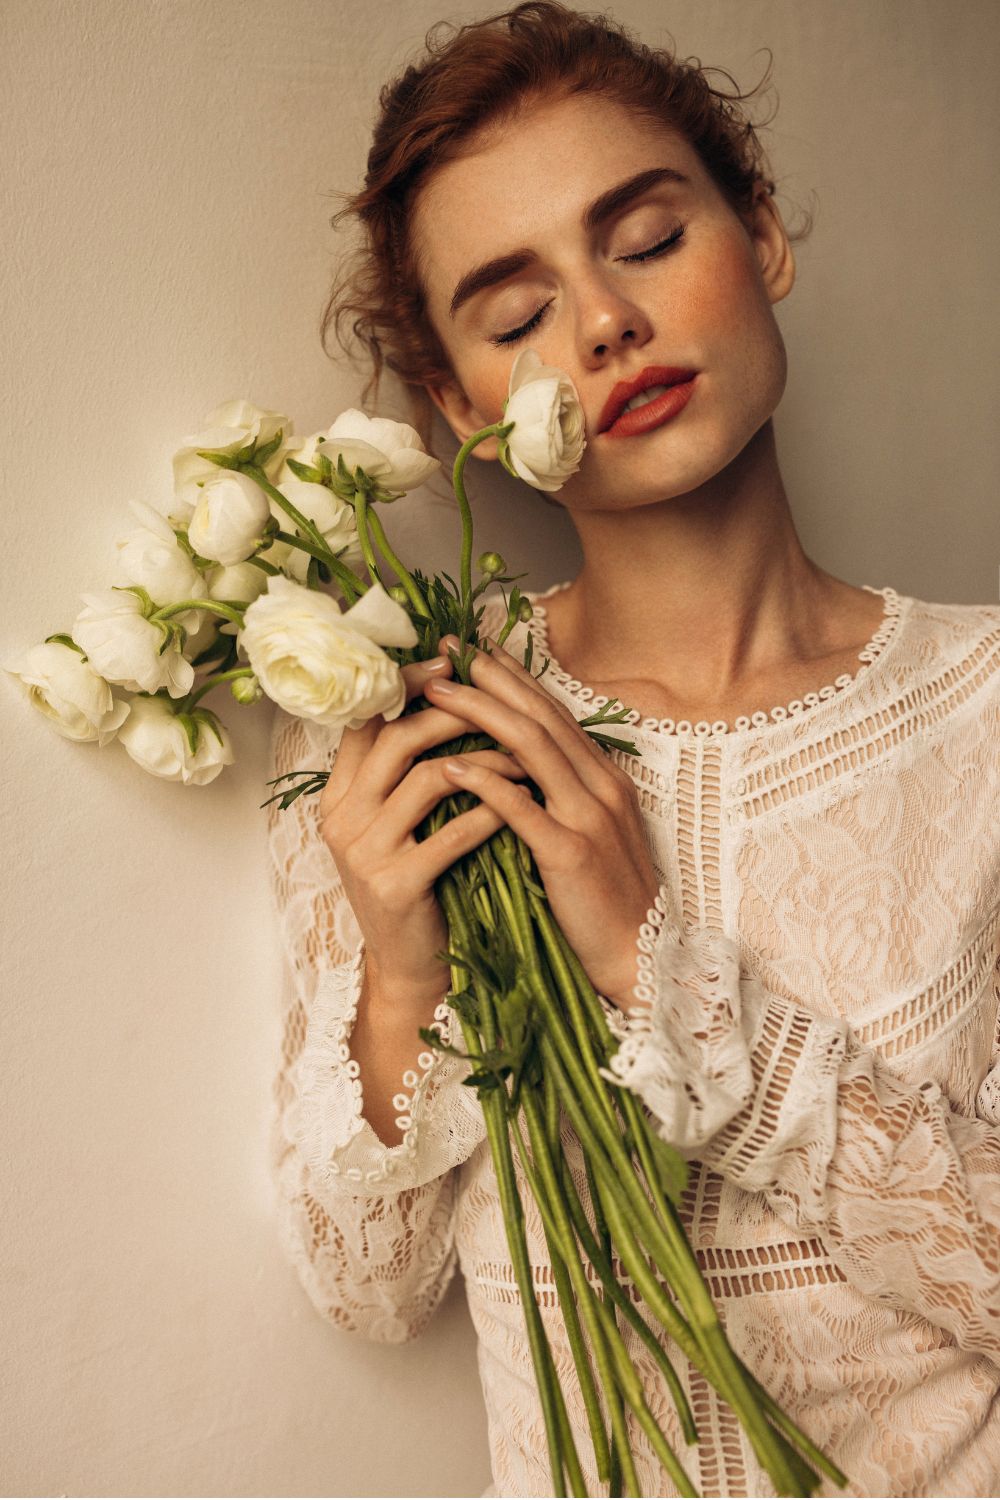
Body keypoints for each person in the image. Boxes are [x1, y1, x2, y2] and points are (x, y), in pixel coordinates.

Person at [266, 3, 1000, 1494]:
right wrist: (403, 974)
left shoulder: (989, 708)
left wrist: (655, 966)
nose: (604, 324)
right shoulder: (404, 725)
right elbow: (369, 1286)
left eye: (649, 238)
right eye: (515, 311)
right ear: (461, 408)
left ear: (765, 237)